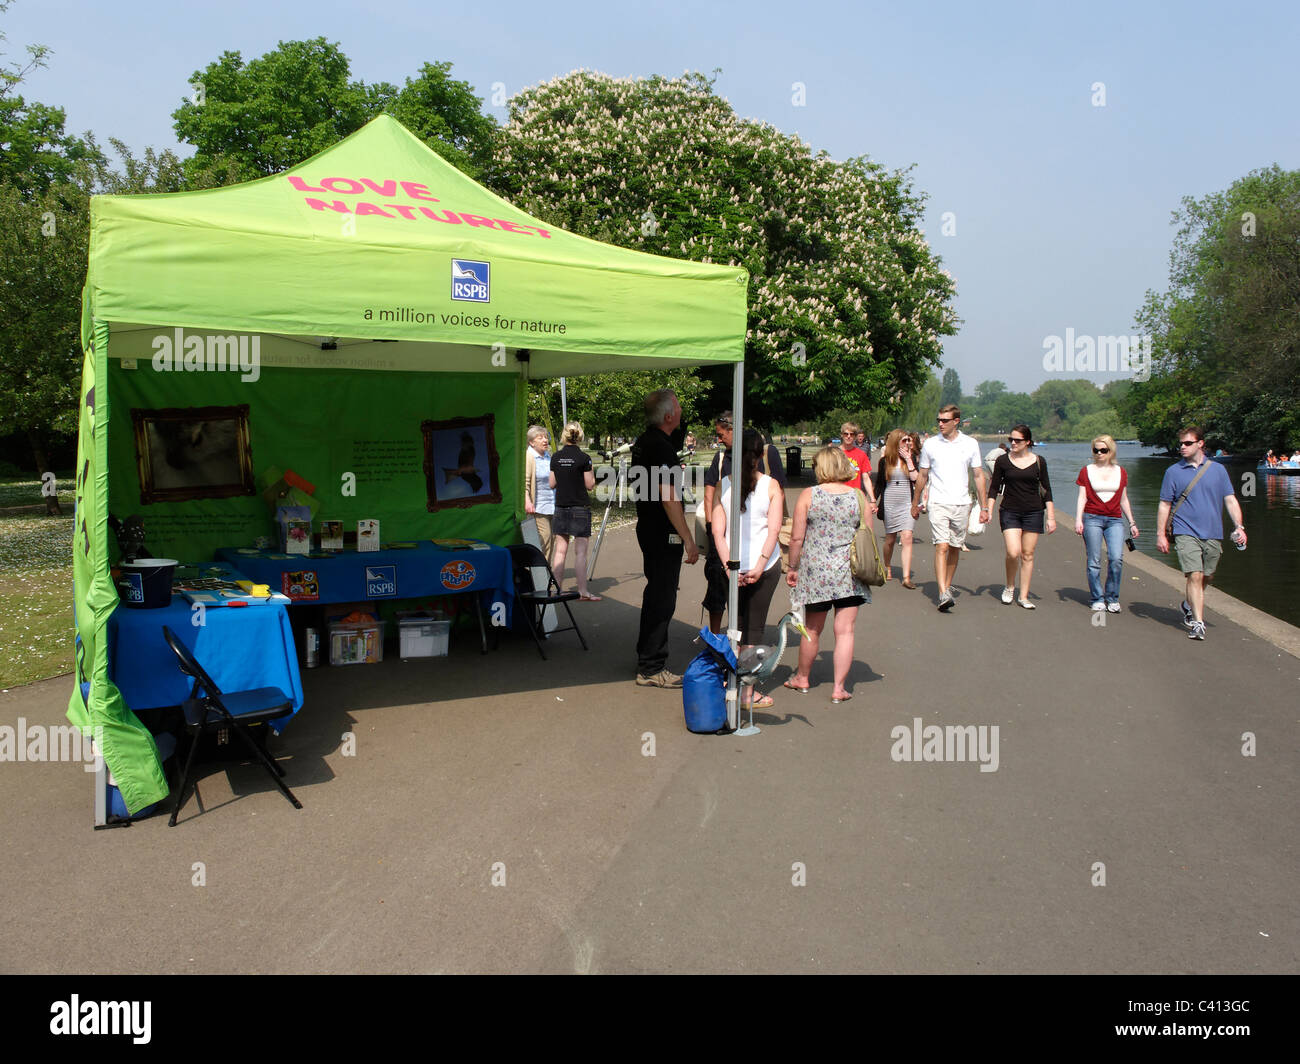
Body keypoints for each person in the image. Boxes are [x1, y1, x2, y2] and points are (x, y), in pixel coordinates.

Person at [784, 446, 869, 702]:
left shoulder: (809, 495)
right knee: (845, 631)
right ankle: (839, 688)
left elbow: (797, 537)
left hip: (816, 571)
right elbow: (867, 535)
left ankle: (802, 678)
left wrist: (792, 566)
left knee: (812, 628)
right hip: (849, 573)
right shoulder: (858, 496)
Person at [711, 431, 785, 709]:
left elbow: (717, 532)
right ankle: (746, 693)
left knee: (735, 628)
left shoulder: (723, 486)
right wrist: (759, 565)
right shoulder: (771, 485)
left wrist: (731, 567)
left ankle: (730, 683)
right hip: (764, 567)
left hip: (732, 565)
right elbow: (774, 530)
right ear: (758, 455)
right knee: (754, 629)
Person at [631, 389, 700, 687]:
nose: (682, 411)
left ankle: (647, 657)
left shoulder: (646, 442)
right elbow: (668, 497)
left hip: (649, 528)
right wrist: (687, 537)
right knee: (662, 597)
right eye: (679, 406)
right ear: (669, 415)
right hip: (662, 533)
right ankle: (651, 667)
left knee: (656, 593)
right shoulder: (659, 446)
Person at [1156, 426, 1246, 640]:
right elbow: (1164, 505)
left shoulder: (1218, 470)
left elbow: (1230, 500)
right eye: (1181, 444)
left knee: (1207, 576)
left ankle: (1187, 604)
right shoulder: (1173, 472)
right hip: (1185, 530)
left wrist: (1239, 527)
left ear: (1200, 444)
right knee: (1194, 575)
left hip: (1213, 532)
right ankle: (1198, 623)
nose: (1183, 447)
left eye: (1188, 443)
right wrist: (1160, 534)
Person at [701, 412, 786, 633]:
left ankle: (733, 654)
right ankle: (719, 640)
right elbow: (709, 494)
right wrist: (713, 531)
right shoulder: (721, 462)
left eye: (721, 434)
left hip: (753, 556)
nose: (719, 439)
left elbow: (774, 520)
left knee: (745, 623)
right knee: (727, 605)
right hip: (737, 553)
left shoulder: (768, 469)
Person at [911, 405, 988, 611]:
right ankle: (943, 592)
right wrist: (915, 502)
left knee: (954, 547)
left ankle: (946, 583)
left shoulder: (970, 444)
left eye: (945, 420)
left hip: (962, 502)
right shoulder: (931, 445)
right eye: (939, 420)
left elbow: (979, 475)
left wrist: (984, 506)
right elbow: (923, 475)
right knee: (942, 546)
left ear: (956, 421)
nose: (940, 424)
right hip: (938, 502)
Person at [988, 425, 1056, 609]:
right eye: (1011, 439)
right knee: (1013, 552)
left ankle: (1024, 596)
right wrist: (988, 509)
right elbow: (994, 487)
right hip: (1010, 510)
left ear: (1027, 442)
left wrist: (1051, 517)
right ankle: (1010, 587)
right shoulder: (1002, 461)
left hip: (1033, 511)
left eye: (1017, 440)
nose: (1013, 443)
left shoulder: (1039, 461)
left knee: (1027, 554)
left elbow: (1047, 490)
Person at [1074, 433, 1138, 613]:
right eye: (1096, 450)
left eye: (1104, 450)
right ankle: (1097, 597)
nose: (1099, 453)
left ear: (1111, 451)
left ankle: (1112, 597)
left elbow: (1124, 499)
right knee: (1094, 561)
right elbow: (1082, 497)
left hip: (1115, 519)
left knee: (1116, 558)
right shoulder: (1086, 471)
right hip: (1092, 518)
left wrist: (1132, 522)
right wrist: (1078, 519)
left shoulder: (1121, 471)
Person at [548, 421, 599, 601]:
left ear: (564, 435)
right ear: (580, 436)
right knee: (581, 552)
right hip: (579, 508)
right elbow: (590, 485)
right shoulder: (584, 458)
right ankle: (583, 591)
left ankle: (558, 589)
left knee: (560, 551)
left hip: (561, 507)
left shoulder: (555, 457)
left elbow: (551, 483)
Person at [872, 429, 918, 587]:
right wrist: (873, 501)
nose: (907, 443)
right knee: (890, 540)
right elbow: (879, 484)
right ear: (895, 441)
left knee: (907, 537)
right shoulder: (885, 461)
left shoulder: (910, 459)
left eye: (908, 440)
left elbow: (917, 480)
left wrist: (909, 461)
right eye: (904, 440)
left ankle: (906, 578)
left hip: (907, 503)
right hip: (890, 503)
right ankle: (888, 566)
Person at [523, 425, 555, 563]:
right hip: (538, 507)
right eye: (540, 437)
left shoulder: (548, 456)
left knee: (551, 540)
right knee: (545, 539)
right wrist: (527, 501)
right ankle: (541, 576)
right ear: (531, 442)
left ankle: (544, 574)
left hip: (552, 505)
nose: (545, 440)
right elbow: (524, 482)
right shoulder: (529, 457)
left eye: (546, 437)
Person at [839, 422, 874, 494]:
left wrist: (872, 499)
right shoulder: (834, 454)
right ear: (842, 435)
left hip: (855, 494)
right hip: (838, 494)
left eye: (851, 434)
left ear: (855, 436)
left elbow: (866, 479)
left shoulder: (862, 454)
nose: (849, 436)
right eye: (846, 434)